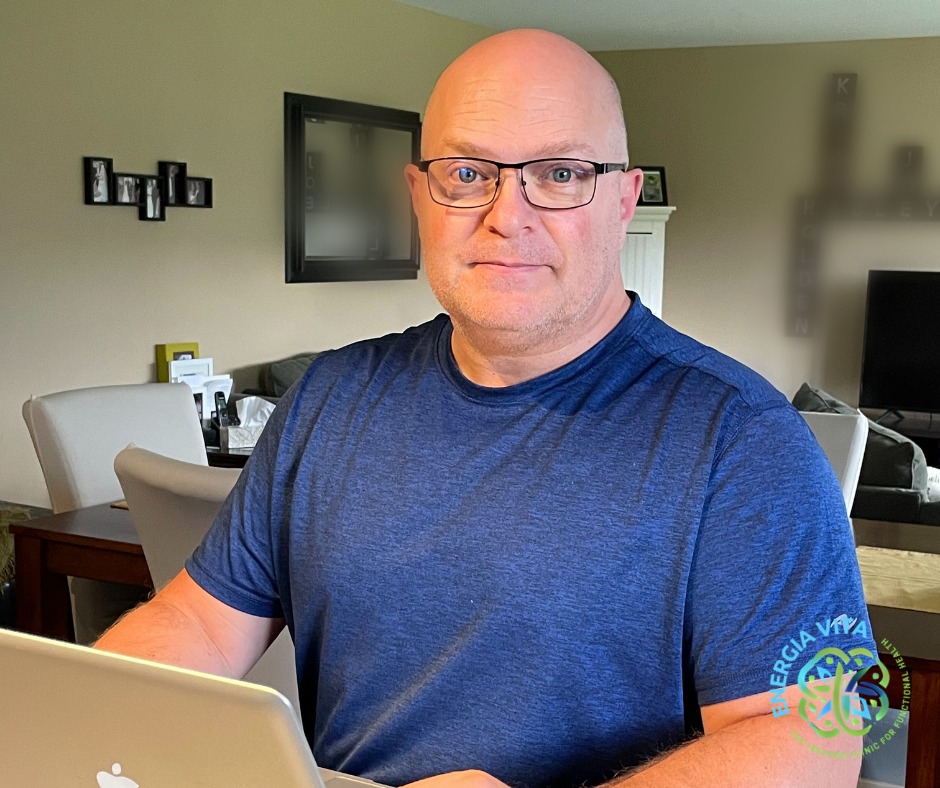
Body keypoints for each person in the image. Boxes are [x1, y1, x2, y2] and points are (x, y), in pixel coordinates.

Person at [96, 29, 874, 788]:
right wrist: (88, 715)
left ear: (624, 199)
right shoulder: (329, 399)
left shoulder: (742, 440)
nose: (507, 213)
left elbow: (813, 743)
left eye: (561, 173)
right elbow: (200, 625)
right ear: (418, 195)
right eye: (467, 172)